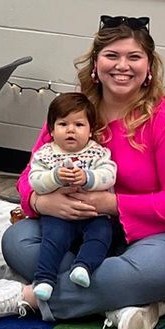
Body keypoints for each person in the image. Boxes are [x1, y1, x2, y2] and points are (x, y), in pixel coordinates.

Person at [0, 15, 165, 329]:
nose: (122, 66)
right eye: (112, 56)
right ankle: (118, 306)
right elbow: (30, 176)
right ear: (95, 64)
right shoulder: (74, 113)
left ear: (150, 67)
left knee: (137, 270)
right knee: (17, 240)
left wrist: (111, 203)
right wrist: (41, 201)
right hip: (81, 230)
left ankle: (26, 299)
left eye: (134, 57)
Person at [23, 91, 119, 304]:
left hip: (93, 214)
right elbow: (35, 180)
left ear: (91, 130)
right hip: (58, 214)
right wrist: (55, 177)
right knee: (52, 239)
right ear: (51, 129)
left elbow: (109, 175)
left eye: (79, 125)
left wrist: (88, 178)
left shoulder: (97, 153)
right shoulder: (46, 154)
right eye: (63, 124)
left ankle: (83, 266)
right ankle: (44, 279)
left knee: (102, 234)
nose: (70, 130)